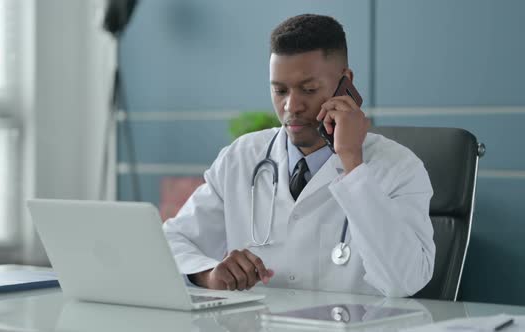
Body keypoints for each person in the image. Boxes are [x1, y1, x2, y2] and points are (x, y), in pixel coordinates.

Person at [163, 14, 435, 297]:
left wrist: (352, 163)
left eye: (309, 89)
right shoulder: (241, 158)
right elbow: (171, 243)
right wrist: (209, 275)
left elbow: (406, 281)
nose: (291, 106)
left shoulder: (399, 166)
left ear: (346, 82)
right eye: (279, 90)